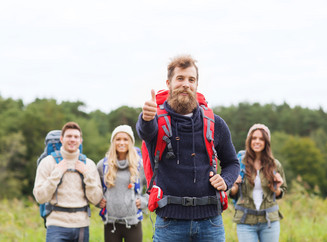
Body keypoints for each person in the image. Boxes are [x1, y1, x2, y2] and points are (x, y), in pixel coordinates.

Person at [136, 55, 240, 242]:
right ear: (169, 83)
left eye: (191, 80)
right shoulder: (156, 121)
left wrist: (226, 181)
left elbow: (232, 163)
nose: (186, 84)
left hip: (211, 223)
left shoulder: (216, 123)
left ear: (197, 85)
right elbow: (145, 131)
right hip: (170, 224)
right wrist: (145, 118)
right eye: (180, 78)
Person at [33, 121, 103, 242]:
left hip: (81, 225)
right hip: (56, 225)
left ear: (81, 140)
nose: (72, 140)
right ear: (61, 139)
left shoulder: (89, 164)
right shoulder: (48, 162)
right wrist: (57, 173)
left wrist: (86, 174)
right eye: (69, 136)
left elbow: (96, 199)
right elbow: (40, 197)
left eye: (76, 137)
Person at [229, 123, 287, 242]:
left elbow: (281, 192)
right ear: (249, 140)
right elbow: (232, 193)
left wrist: (276, 187)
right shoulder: (239, 163)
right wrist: (234, 185)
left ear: (266, 142)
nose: (257, 141)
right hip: (245, 221)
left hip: (269, 221)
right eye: (254, 138)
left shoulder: (275, 165)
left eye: (261, 139)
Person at [97, 125, 148, 242]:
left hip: (133, 222)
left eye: (125, 139)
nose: (121, 142)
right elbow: (94, 189)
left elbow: (153, 187)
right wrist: (98, 201)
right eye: (118, 139)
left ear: (131, 142)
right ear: (113, 142)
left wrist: (145, 200)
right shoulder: (103, 165)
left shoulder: (140, 165)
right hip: (111, 223)